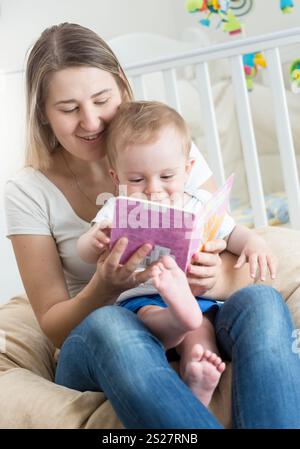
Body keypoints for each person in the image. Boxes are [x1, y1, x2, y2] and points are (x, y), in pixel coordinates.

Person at [4, 22, 300, 429]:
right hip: (107, 335)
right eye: (69, 109)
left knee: (264, 303)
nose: (91, 121)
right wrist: (105, 285)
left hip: (195, 313)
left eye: (101, 99)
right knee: (112, 325)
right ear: (43, 115)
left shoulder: (166, 149)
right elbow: (54, 327)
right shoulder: (27, 191)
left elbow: (224, 242)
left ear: (122, 88)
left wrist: (207, 280)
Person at [77, 100, 277, 407]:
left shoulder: (198, 203)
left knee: (201, 334)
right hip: (140, 298)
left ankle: (196, 374)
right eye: (137, 180)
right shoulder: (118, 208)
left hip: (195, 298)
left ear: (188, 170)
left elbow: (234, 233)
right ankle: (177, 318)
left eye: (166, 177)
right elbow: (84, 251)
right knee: (147, 315)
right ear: (116, 178)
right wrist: (95, 239)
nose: (153, 189)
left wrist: (255, 244)